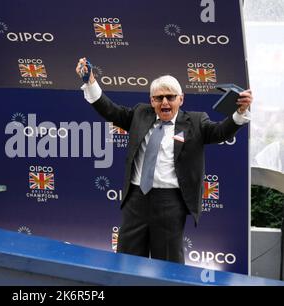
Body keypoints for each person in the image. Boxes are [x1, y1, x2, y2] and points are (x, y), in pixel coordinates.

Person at [76, 57, 253, 263]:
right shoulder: (140, 114)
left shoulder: (196, 121)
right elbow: (110, 110)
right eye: (159, 98)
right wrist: (91, 82)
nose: (165, 102)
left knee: (168, 263)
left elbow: (220, 132)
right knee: (127, 261)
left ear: (181, 99)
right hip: (136, 199)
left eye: (170, 97)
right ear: (152, 101)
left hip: (170, 203)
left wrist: (240, 112)